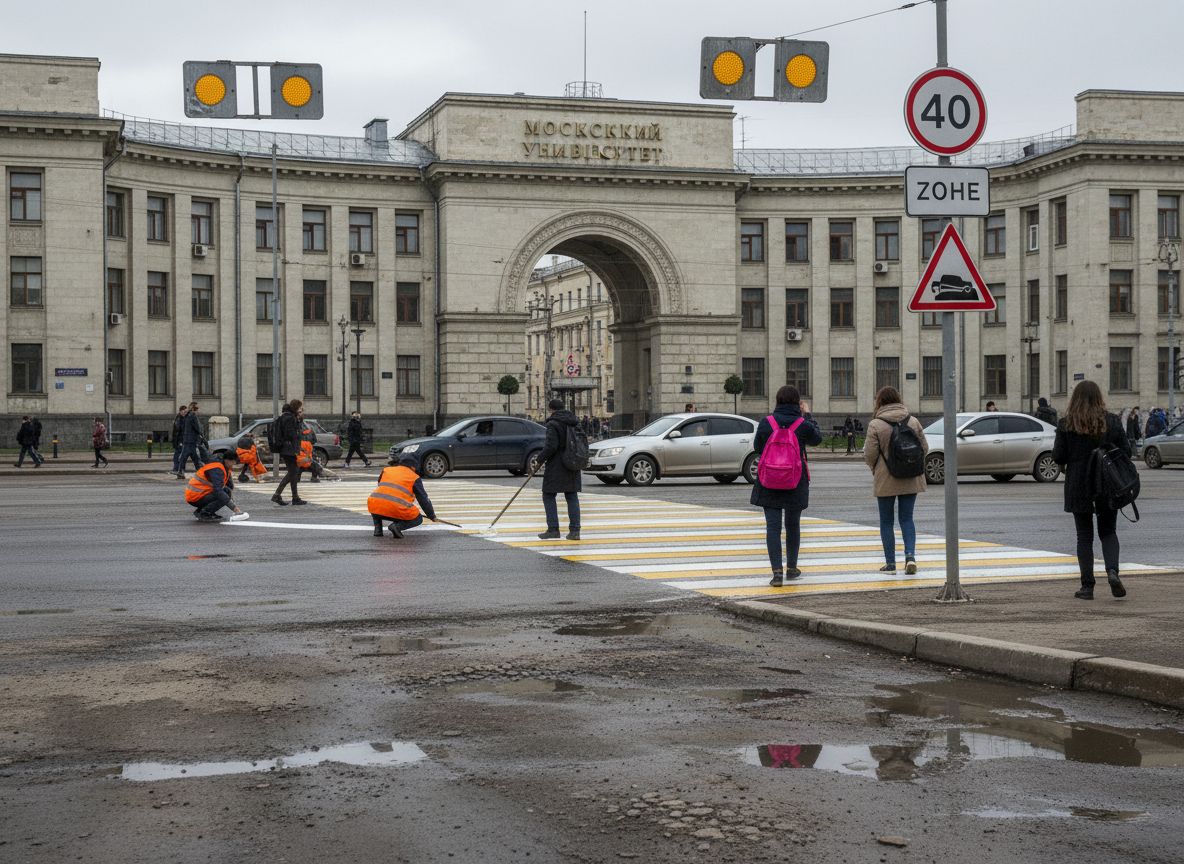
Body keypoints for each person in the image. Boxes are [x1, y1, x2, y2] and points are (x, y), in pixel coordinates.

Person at [1051, 380, 1130, 601]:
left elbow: (1058, 456)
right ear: (1099, 398)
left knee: (1084, 536)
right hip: (1106, 484)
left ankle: (1087, 587)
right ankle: (1112, 572)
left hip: (1078, 484)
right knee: (1108, 532)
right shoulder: (1112, 422)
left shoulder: (1067, 424)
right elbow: (1126, 451)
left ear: (1074, 398)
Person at [751, 385, 823, 586]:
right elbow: (817, 439)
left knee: (773, 527)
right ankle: (792, 567)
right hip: (795, 481)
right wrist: (807, 415)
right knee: (793, 525)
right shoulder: (802, 424)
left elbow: (757, 447)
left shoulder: (767, 422)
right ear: (796, 403)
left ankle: (777, 573)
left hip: (770, 480)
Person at [863, 386, 928, 575]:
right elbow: (924, 447)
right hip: (911, 477)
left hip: (886, 478)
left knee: (886, 521)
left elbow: (869, 454)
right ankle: (910, 557)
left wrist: (876, 468)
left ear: (880, 402)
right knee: (907, 518)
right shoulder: (913, 421)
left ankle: (890, 563)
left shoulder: (876, 424)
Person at [537, 398, 582, 541]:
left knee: (548, 495)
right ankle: (575, 531)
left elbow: (551, 446)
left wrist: (540, 458)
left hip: (557, 464)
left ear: (551, 410)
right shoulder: (574, 421)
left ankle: (553, 529)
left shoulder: (553, 423)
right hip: (573, 461)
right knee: (571, 495)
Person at [367, 452, 437, 538]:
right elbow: (423, 499)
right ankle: (397, 527)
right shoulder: (414, 477)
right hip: (395, 508)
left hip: (374, 506)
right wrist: (431, 515)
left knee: (379, 502)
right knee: (418, 519)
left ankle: (378, 530)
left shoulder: (387, 470)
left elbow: (381, 487)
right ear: (414, 465)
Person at [184, 451, 249, 523]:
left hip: (201, 493)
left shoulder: (224, 465)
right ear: (228, 460)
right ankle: (204, 514)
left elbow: (228, 486)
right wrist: (236, 510)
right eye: (234, 462)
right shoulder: (216, 469)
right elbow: (218, 490)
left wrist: (231, 501)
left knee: (226, 492)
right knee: (222, 495)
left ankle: (202, 511)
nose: (234, 465)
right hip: (195, 496)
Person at [272, 399, 306, 506]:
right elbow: (291, 434)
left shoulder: (284, 417)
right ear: (296, 408)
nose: (301, 409)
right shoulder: (290, 419)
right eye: (300, 407)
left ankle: (295, 497)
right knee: (293, 473)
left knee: (293, 473)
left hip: (285, 448)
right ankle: (277, 495)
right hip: (289, 449)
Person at [175, 402, 204, 479]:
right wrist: (201, 434)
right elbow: (197, 428)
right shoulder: (193, 416)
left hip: (186, 440)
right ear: (193, 409)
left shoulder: (187, 416)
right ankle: (200, 473)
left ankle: (180, 472)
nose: (197, 410)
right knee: (195, 458)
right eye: (196, 409)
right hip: (192, 441)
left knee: (185, 457)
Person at [171, 404, 188, 475]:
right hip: (179, 440)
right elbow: (178, 430)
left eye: (186, 412)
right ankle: (177, 469)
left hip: (181, 440)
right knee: (178, 454)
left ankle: (179, 469)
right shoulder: (179, 419)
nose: (185, 413)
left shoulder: (182, 418)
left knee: (181, 454)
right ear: (180, 411)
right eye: (183, 411)